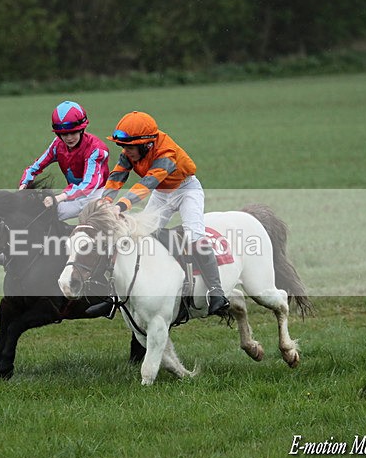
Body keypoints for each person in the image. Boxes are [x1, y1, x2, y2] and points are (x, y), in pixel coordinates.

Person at [102, 111, 230, 316]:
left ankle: (217, 292)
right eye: (122, 146)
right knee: (141, 235)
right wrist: (105, 201)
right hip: (162, 193)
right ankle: (117, 294)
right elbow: (117, 176)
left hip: (186, 190)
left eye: (130, 147)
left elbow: (149, 182)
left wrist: (121, 206)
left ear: (147, 144)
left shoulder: (166, 153)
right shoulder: (129, 153)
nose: (126, 151)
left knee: (195, 237)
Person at [19, 101, 110, 221]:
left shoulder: (96, 149)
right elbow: (34, 169)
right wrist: (22, 187)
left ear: (82, 129)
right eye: (63, 134)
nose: (68, 138)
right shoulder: (58, 144)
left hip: (95, 195)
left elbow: (89, 184)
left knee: (46, 215)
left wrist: (60, 197)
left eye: (73, 132)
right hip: (73, 194)